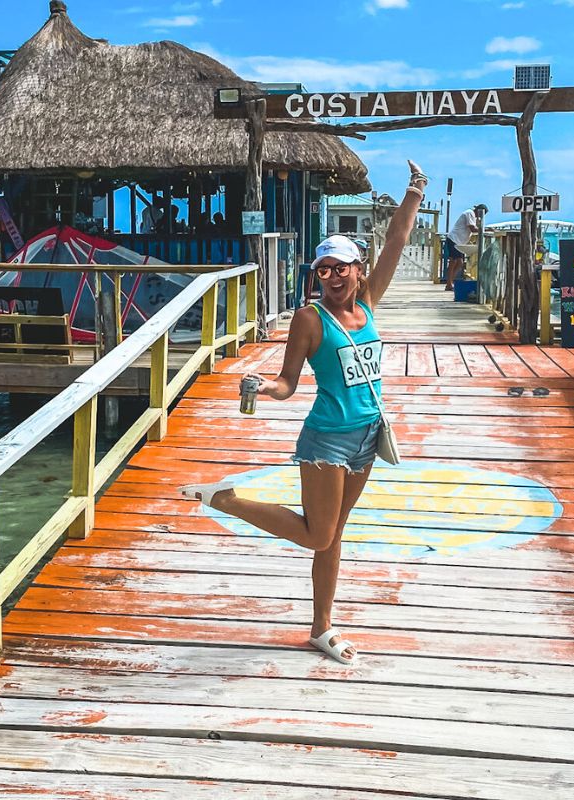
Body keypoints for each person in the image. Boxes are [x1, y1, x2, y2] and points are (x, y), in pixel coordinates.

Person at [179, 160, 429, 665]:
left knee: (331, 537)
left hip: (366, 436)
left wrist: (414, 193)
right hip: (327, 440)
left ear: (358, 270)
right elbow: (290, 381)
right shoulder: (310, 318)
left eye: (342, 267)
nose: (333, 276)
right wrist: (264, 387)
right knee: (319, 533)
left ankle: (321, 627)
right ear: (315, 275)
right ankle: (225, 501)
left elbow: (398, 243)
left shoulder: (369, 305)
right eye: (323, 269)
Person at [444, 203, 487, 290]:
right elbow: (472, 229)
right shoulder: (469, 213)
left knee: (459, 263)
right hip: (454, 239)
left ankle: (450, 282)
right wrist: (485, 229)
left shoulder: (472, 216)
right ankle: (449, 283)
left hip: (459, 241)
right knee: (453, 262)